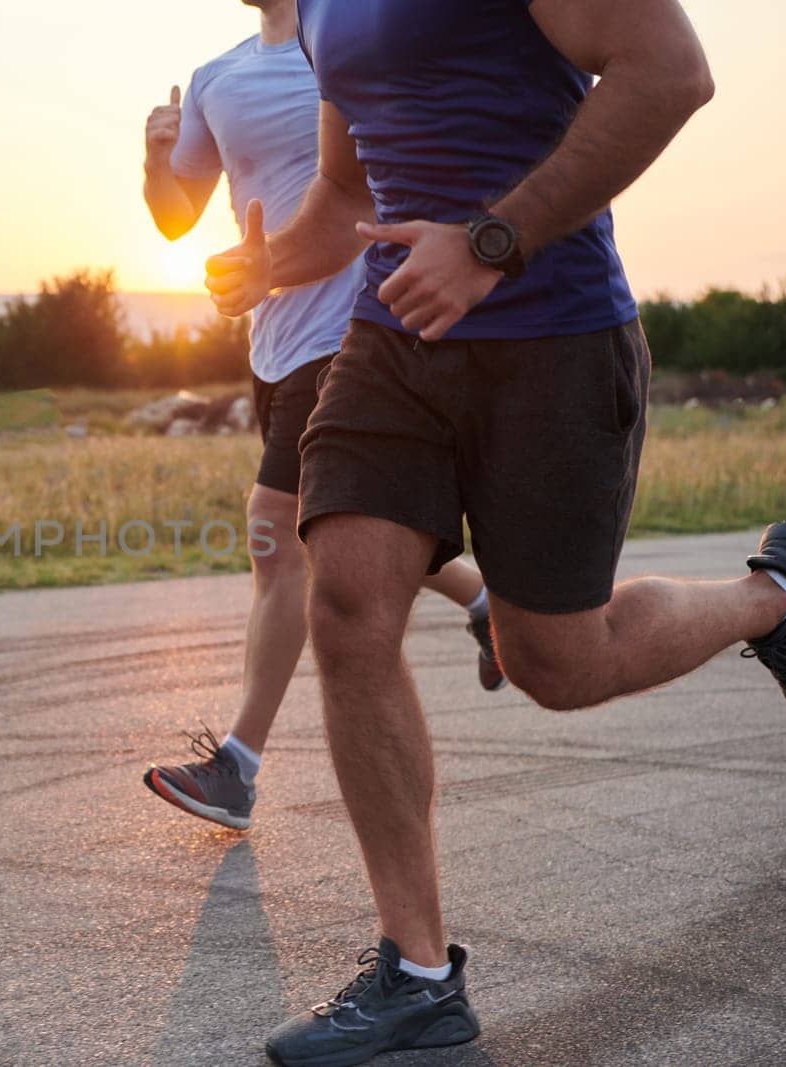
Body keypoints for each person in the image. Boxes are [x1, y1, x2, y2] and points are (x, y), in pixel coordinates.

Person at [202, 0, 786, 1062]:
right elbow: (348, 189)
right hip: (392, 332)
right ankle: (415, 976)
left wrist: (492, 242)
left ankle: (775, 594)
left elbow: (668, 71)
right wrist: (265, 264)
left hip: (555, 337)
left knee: (554, 659)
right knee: (349, 597)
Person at [139, 0, 505, 836]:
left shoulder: (346, 42)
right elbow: (173, 215)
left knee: (274, 531)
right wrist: (156, 158)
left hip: (353, 328)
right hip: (270, 338)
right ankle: (484, 598)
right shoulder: (215, 78)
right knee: (333, 534)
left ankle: (237, 766)